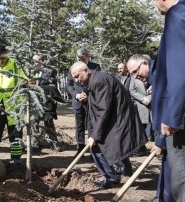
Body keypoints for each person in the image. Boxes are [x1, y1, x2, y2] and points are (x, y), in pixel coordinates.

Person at [70, 61, 146, 189]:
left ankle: (110, 178)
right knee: (117, 146)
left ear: (86, 71)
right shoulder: (96, 79)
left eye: (78, 76)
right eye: (74, 78)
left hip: (117, 119)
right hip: (117, 118)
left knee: (96, 148)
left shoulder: (99, 81)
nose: (77, 80)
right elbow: (102, 102)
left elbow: (103, 109)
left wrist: (95, 135)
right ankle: (126, 171)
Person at [127, 54, 174, 202]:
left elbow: (169, 109)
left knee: (172, 167)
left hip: (172, 129)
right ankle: (159, 199)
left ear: (145, 63)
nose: (135, 76)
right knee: (167, 165)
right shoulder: (155, 76)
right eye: (132, 74)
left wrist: (160, 142)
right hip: (167, 130)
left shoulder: (161, 73)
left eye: (135, 71)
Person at [67, 48, 101, 157]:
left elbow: (97, 82)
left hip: (90, 101)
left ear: (88, 56)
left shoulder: (95, 67)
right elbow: (69, 85)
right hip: (77, 102)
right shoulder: (73, 68)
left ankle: (92, 150)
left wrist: (88, 95)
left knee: (91, 125)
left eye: (82, 58)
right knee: (79, 126)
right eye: (78, 58)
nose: (80, 60)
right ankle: (80, 148)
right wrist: (77, 95)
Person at [31, 54, 63, 152]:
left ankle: (55, 143)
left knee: (48, 123)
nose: (33, 63)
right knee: (34, 123)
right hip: (34, 102)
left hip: (46, 102)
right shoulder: (30, 72)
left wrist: (40, 89)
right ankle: (35, 144)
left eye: (35, 61)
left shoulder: (50, 72)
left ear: (41, 62)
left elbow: (52, 86)